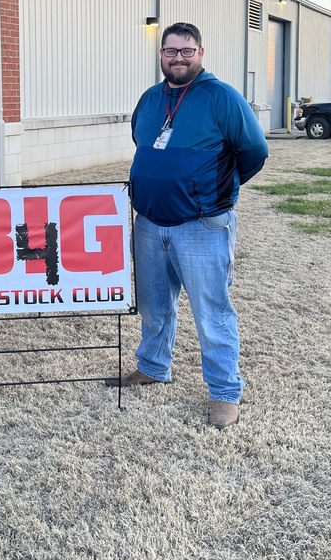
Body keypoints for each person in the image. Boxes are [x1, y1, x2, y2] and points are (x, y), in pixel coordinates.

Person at [107, 22, 268, 429]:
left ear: (201, 52)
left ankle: (224, 393)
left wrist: (214, 190)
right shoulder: (149, 100)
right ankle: (153, 366)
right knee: (154, 306)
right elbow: (143, 144)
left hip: (202, 225)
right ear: (161, 54)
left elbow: (254, 152)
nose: (178, 58)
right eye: (170, 51)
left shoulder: (222, 97)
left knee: (211, 312)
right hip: (149, 223)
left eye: (186, 51)